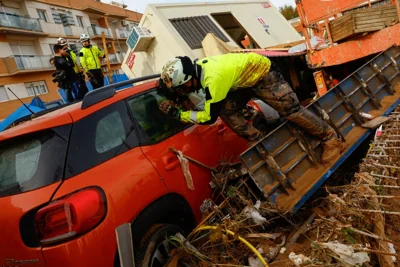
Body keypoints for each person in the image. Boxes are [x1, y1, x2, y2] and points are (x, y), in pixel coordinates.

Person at [158, 53, 346, 163]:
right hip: (242, 82)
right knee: (227, 110)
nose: (182, 91)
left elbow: (208, 117)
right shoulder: (197, 68)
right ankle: (259, 139)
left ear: (189, 81)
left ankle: (330, 138)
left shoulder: (213, 80)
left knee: (291, 110)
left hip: (262, 73)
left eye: (181, 87)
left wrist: (180, 114)